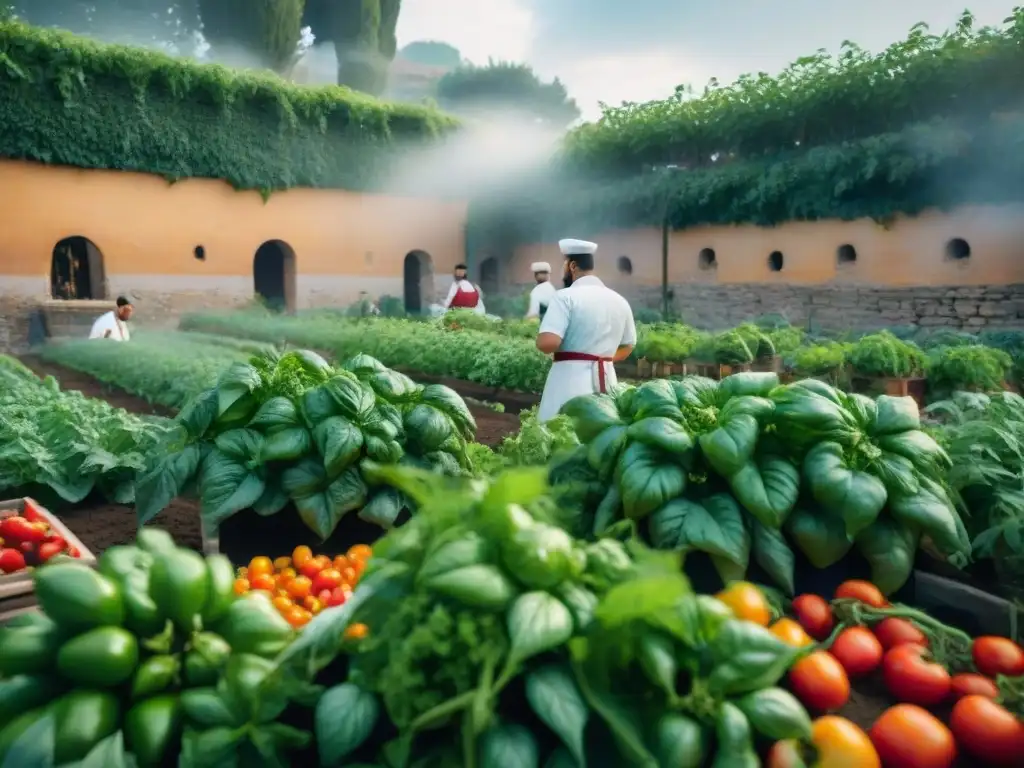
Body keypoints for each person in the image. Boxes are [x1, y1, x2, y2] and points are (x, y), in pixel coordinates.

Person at [535, 239, 636, 422]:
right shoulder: (619, 300)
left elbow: (548, 343)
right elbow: (628, 345)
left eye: (563, 265)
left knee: (559, 434)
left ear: (572, 266)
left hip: (569, 382)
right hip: (607, 381)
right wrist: (600, 358)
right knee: (600, 437)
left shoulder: (565, 297)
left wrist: (539, 339)